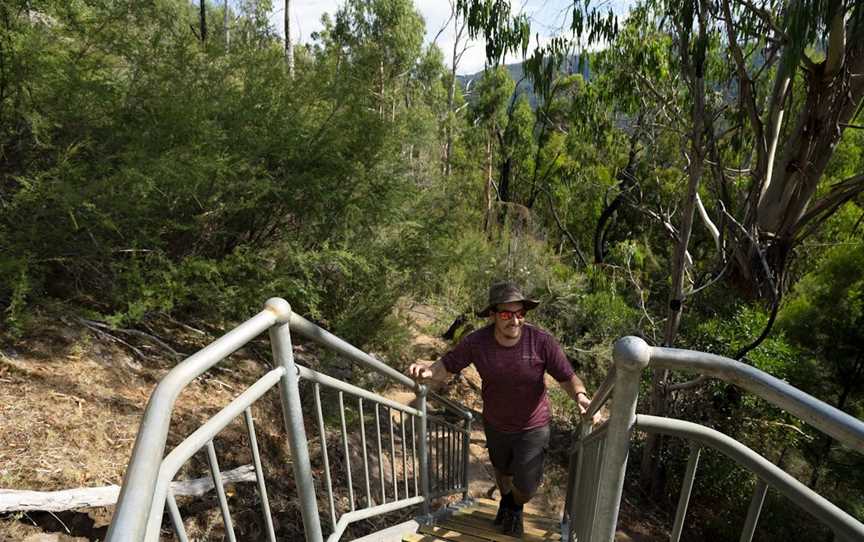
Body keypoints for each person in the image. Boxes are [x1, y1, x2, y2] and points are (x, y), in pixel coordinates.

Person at [407, 281, 593, 537]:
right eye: (506, 314)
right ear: (493, 315)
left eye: (520, 314)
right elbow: (448, 364)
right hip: (495, 423)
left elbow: (566, 376)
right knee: (502, 471)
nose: (515, 321)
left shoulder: (541, 342)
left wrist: (581, 396)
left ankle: (514, 506)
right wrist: (429, 372)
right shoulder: (477, 342)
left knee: (527, 486)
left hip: (533, 425)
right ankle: (506, 502)